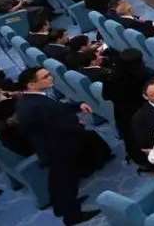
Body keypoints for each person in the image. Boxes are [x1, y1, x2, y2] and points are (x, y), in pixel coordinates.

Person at [14, 67, 105, 224]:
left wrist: (77, 106)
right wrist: (78, 123)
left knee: (57, 180)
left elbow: (57, 110)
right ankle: (72, 216)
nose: (51, 78)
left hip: (51, 147)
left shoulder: (32, 99)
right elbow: (58, 124)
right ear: (31, 85)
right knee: (67, 183)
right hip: (59, 148)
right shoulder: (37, 105)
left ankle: (60, 206)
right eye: (45, 77)